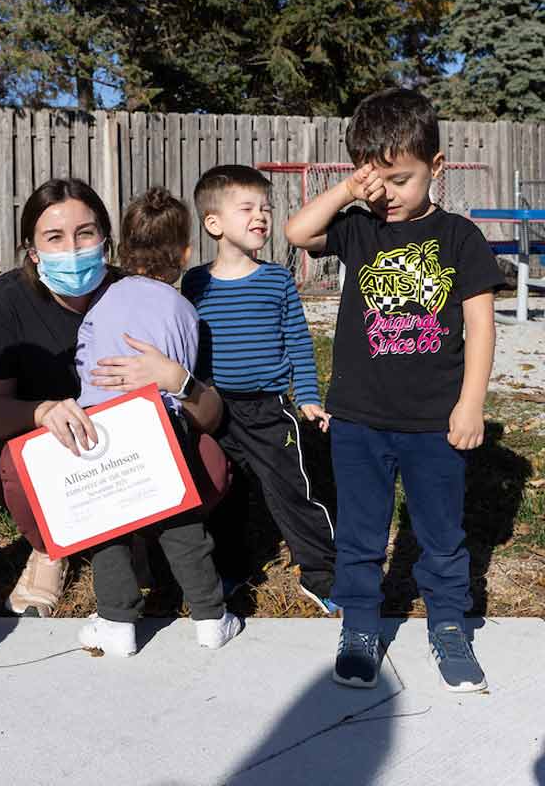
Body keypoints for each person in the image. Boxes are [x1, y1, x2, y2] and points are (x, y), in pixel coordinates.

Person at [285, 88, 504, 692]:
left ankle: (449, 625)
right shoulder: (359, 229)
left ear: (436, 168)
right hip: (358, 418)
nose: (389, 193)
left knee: (440, 531)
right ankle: (359, 624)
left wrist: (470, 403)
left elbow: (481, 325)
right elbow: (298, 231)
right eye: (375, 179)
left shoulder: (459, 237)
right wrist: (347, 192)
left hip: (436, 421)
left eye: (401, 179)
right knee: (359, 530)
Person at [0, 177, 224, 620]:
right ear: (32, 249)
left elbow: (211, 415)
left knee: (213, 463)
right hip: (50, 450)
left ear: (106, 239)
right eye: (54, 237)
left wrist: (177, 380)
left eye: (85, 233)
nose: (72, 247)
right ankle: (50, 549)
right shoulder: (8, 299)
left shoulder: (141, 292)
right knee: (16, 463)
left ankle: (137, 530)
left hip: (127, 449)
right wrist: (41, 411)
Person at [73, 188, 243, 655]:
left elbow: (84, 363)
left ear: (121, 248)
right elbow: (183, 381)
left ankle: (116, 622)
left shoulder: (100, 303)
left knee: (108, 528)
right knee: (182, 525)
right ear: (185, 252)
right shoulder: (184, 311)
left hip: (99, 424)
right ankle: (210, 617)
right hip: (160, 425)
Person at [180, 165, 338, 615]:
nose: (261, 217)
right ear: (214, 224)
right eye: (247, 208)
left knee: (292, 490)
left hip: (270, 410)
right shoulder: (195, 283)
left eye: (265, 208)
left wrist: (307, 395)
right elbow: (186, 345)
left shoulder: (277, 280)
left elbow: (299, 342)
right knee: (222, 492)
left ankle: (322, 574)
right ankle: (232, 569)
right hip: (213, 411)